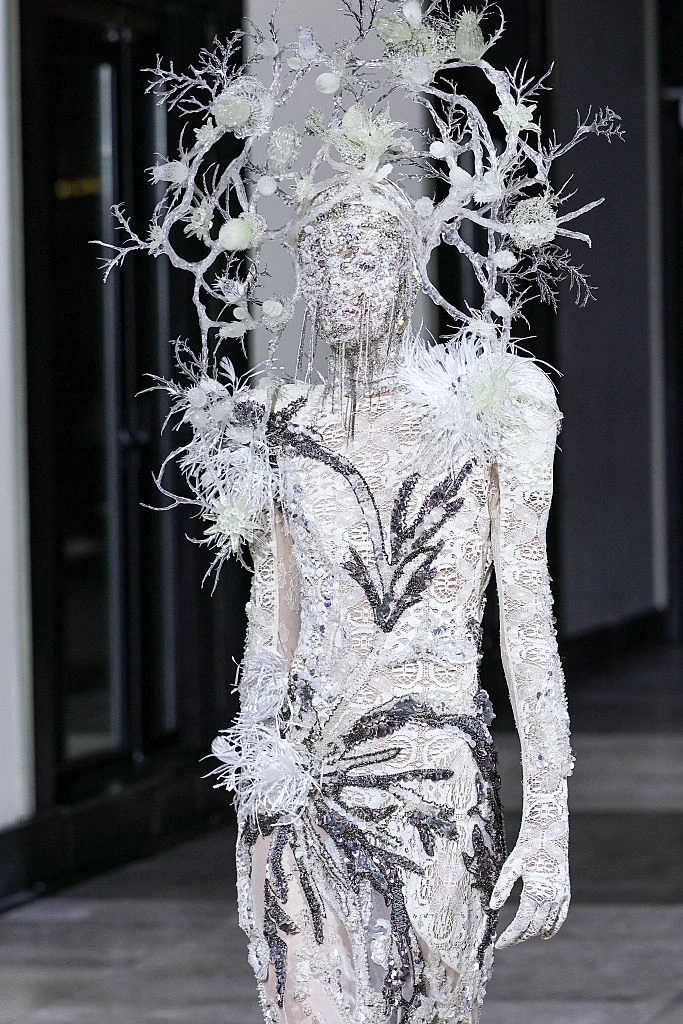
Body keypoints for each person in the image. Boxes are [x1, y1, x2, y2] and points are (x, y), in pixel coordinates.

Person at [99, 3, 621, 1020]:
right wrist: (252, 806)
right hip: (302, 785)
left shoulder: (495, 406)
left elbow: (525, 620)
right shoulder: (279, 423)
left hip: (429, 782)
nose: (343, 279)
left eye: (368, 254)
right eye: (324, 257)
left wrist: (549, 823)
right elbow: (272, 626)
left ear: (410, 264)